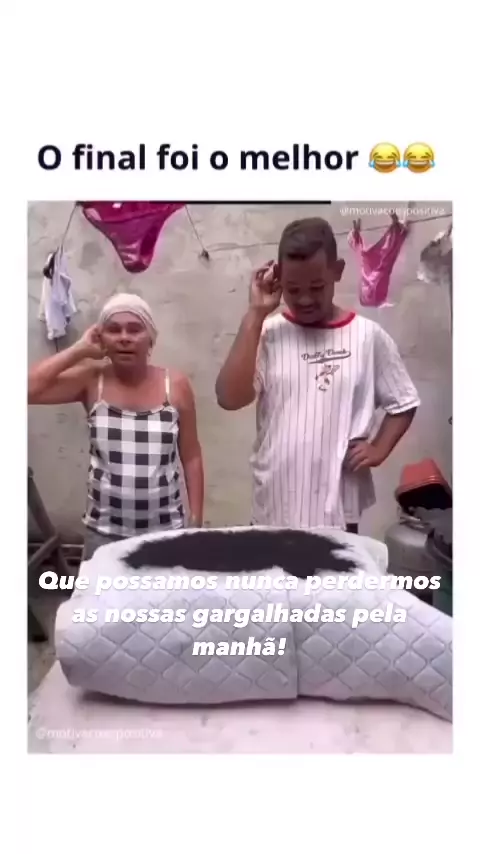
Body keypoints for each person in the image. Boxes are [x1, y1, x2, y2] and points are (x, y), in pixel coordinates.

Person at [215, 217, 420, 533]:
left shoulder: (367, 337)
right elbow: (229, 398)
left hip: (338, 508)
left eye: (316, 287)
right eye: (293, 289)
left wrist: (379, 449)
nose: (305, 299)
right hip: (274, 502)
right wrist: (255, 313)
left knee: (335, 567)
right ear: (278, 279)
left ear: (337, 271)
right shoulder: (267, 333)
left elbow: (404, 401)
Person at [28, 293, 204, 558]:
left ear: (150, 338)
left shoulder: (175, 386)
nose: (124, 338)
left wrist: (196, 521)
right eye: (113, 330)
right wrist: (79, 350)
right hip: (103, 534)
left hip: (166, 531)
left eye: (135, 329)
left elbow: (191, 456)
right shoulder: (92, 381)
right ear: (102, 338)